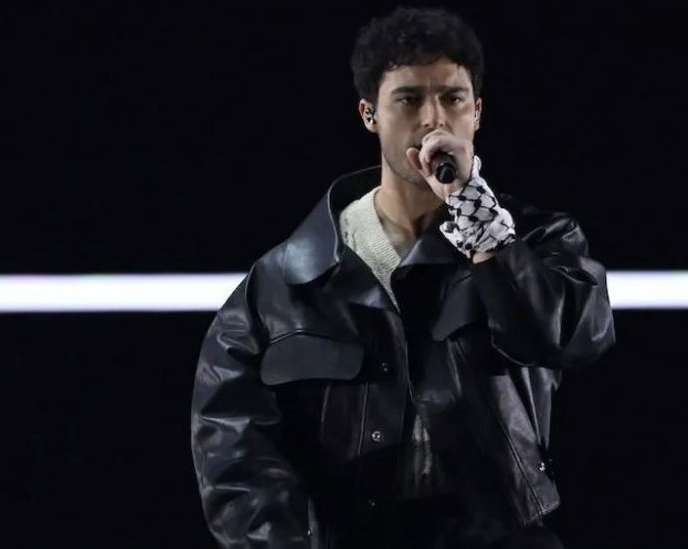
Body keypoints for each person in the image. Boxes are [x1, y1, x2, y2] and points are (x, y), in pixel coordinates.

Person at [191, 7, 616, 548]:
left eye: (452, 98)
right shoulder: (286, 281)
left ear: (477, 113)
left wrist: (480, 223)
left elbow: (571, 338)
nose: (433, 119)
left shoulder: (537, 240)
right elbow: (234, 452)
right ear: (370, 114)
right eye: (409, 99)